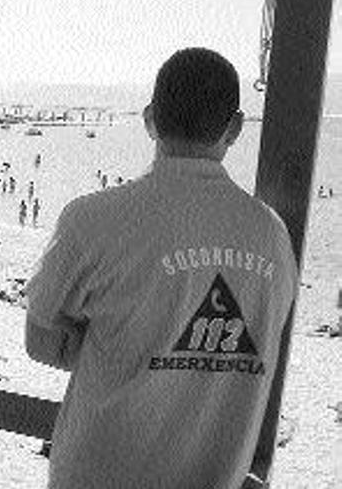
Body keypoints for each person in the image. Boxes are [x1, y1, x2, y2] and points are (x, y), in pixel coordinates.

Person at [24, 48, 297, 488]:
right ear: (236, 128)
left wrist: (124, 348)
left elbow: (40, 340)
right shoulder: (273, 236)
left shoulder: (91, 220)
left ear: (150, 118)